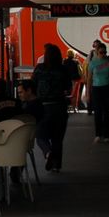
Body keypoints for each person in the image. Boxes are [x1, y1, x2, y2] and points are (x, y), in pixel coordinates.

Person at [33, 43, 71, 172]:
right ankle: (56, 165)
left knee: (40, 135)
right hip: (59, 107)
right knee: (57, 138)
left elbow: (33, 85)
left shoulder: (39, 69)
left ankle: (48, 152)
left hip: (43, 107)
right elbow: (68, 87)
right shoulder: (63, 69)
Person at [87, 41, 109, 143]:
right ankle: (98, 134)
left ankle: (107, 135)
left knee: (107, 112)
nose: (103, 54)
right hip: (96, 88)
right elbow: (89, 79)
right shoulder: (92, 63)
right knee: (98, 112)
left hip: (108, 87)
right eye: (101, 52)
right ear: (97, 52)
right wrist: (88, 93)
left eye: (105, 52)